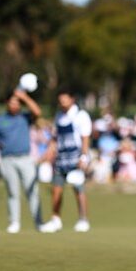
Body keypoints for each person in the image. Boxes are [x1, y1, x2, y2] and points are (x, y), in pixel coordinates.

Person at [0, 88, 44, 233]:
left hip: (25, 159)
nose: (15, 105)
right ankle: (14, 223)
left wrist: (24, 97)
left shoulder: (25, 117)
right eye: (12, 102)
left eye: (17, 103)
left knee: (32, 191)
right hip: (7, 159)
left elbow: (37, 112)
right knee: (13, 193)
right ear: (7, 103)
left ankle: (39, 223)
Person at [40, 88, 91, 233]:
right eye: (60, 100)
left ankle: (83, 219)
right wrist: (48, 155)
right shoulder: (59, 116)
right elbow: (55, 139)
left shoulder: (80, 116)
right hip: (61, 158)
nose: (62, 103)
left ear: (72, 99)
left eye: (65, 100)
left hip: (76, 157)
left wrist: (84, 157)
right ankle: (55, 220)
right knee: (56, 189)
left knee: (78, 189)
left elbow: (85, 138)